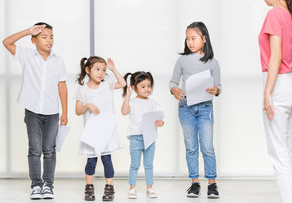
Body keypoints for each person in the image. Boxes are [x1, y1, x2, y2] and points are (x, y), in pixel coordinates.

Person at [3, 22, 68, 200]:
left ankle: (48, 185)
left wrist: (65, 113)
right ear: (34, 40)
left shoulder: (58, 61)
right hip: (32, 110)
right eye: (44, 37)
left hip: (52, 112)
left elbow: (62, 87)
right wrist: (27, 31)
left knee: (49, 150)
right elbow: (6, 42)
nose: (49, 40)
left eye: (51, 37)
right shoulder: (26, 55)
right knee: (34, 149)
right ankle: (36, 185)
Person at [259, 0, 292, 203]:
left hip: (280, 85)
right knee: (286, 150)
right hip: (290, 84)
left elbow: (275, 56)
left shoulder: (275, 14)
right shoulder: (289, 14)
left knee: (279, 154)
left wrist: (267, 92)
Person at [169, 22, 221, 198]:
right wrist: (174, 90)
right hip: (186, 108)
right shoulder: (182, 60)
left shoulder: (213, 63)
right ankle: (194, 183)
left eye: (194, 38)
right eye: (187, 38)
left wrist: (216, 90)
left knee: (207, 146)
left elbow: (218, 86)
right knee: (191, 147)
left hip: (205, 108)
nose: (190, 42)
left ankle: (212, 184)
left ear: (204, 39)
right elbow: (173, 83)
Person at [75, 56, 126, 201]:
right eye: (97, 69)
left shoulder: (107, 85)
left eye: (103, 70)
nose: (101, 73)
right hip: (91, 132)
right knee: (91, 161)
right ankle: (89, 188)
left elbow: (122, 83)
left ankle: (109, 188)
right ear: (88, 70)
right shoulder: (82, 90)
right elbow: (78, 111)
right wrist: (87, 105)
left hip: (106, 131)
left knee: (107, 159)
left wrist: (113, 69)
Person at [121, 71, 164, 199]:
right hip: (136, 137)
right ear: (134, 88)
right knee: (135, 164)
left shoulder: (153, 103)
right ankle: (132, 188)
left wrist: (160, 122)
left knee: (149, 164)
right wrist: (127, 96)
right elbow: (124, 112)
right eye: (143, 86)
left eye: (149, 86)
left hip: (150, 137)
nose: (147, 89)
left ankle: (149, 188)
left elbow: (160, 119)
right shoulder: (132, 102)